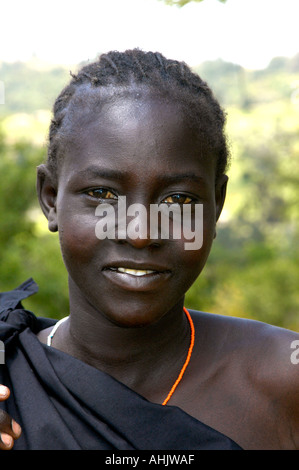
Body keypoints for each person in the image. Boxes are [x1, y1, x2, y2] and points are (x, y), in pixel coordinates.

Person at [0, 49, 298, 451]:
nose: (140, 233)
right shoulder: (10, 382)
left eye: (177, 201)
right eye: (102, 194)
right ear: (51, 198)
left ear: (217, 204)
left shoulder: (284, 382)